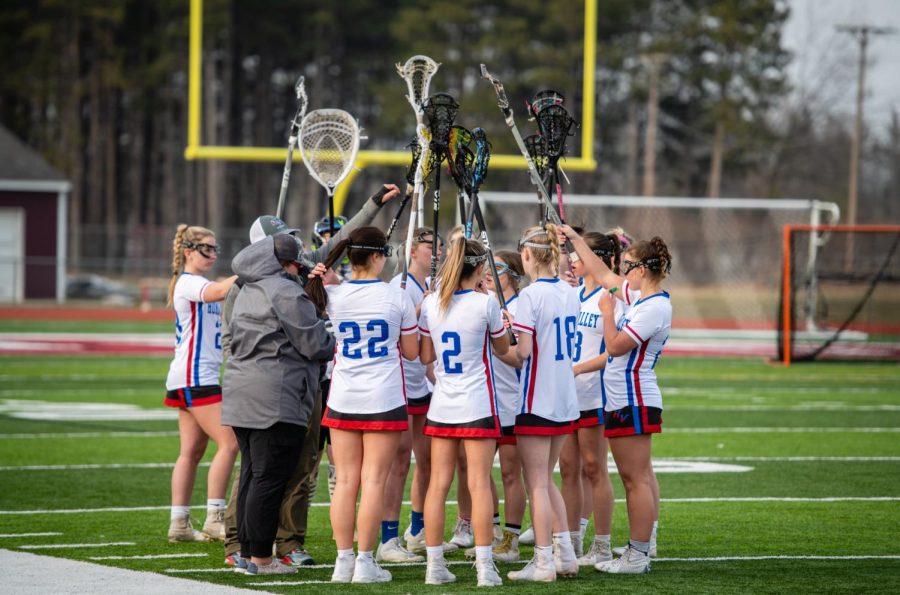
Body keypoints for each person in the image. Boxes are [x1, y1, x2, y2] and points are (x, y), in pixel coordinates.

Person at [221, 183, 401, 568]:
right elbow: (233, 339)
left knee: (301, 467)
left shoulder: (294, 272)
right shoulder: (252, 287)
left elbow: (340, 240)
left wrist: (372, 206)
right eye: (286, 243)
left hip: (297, 384)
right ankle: (243, 544)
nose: (297, 251)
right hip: (274, 385)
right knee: (261, 471)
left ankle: (288, 541)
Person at [305, 227, 419, 584]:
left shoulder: (333, 295)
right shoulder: (396, 297)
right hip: (383, 397)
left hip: (343, 397)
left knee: (346, 481)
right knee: (373, 481)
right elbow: (413, 353)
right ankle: (366, 562)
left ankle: (343, 561)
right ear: (377, 256)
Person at [561, 225, 672, 575]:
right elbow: (604, 272)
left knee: (633, 478)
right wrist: (576, 240)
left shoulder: (653, 306)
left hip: (633, 398)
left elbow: (616, 346)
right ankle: (640, 545)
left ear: (642, 269)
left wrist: (608, 312)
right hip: (623, 399)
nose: (621, 272)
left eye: (628, 266)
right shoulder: (641, 298)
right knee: (633, 477)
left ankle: (638, 554)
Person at [222, 234, 335, 576]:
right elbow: (315, 342)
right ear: (286, 264)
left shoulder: (248, 289)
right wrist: (329, 334)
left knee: (252, 477)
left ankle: (245, 554)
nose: (297, 271)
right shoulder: (284, 290)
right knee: (269, 479)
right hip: (275, 395)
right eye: (295, 265)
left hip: (241, 392)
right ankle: (260, 559)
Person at [418, 237, 510, 587]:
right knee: (479, 484)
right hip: (477, 404)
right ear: (481, 268)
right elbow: (503, 349)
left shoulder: (431, 304)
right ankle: (485, 568)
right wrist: (505, 322)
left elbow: (426, 356)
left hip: (443, 404)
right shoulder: (485, 304)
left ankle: (434, 566)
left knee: (438, 485)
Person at [499, 224, 580, 582]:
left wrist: (500, 343)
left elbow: (523, 354)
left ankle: (544, 561)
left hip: (536, 398)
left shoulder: (531, 297)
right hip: (564, 398)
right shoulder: (570, 291)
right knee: (547, 480)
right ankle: (565, 555)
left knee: (536, 483)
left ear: (527, 255)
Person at [164, 224, 239, 543]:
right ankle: (214, 517)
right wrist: (253, 267)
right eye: (206, 248)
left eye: (215, 249)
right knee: (230, 442)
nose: (212, 254)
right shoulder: (189, 283)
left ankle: (179, 523)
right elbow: (221, 291)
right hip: (196, 378)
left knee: (191, 451)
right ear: (188, 252)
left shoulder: (197, 282)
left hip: (190, 377)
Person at [381, 228, 446, 562]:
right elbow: (402, 337)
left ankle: (418, 530)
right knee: (399, 460)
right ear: (413, 250)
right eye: (429, 246)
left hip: (425, 381)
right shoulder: (400, 287)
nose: (436, 252)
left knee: (428, 460)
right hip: (403, 380)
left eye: (439, 246)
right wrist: (421, 308)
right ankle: (388, 538)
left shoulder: (429, 285)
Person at [558, 232, 623, 566]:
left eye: (578, 255)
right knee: (568, 469)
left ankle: (602, 543)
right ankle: (570, 541)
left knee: (595, 468)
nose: (572, 259)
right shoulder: (573, 294)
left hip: (595, 393)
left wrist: (581, 368)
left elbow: (615, 350)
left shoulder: (612, 297)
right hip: (570, 395)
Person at [481, 250, 528, 562]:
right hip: (482, 401)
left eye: (496, 268)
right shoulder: (481, 303)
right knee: (480, 472)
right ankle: (492, 532)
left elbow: (521, 356)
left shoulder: (520, 308)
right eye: (486, 266)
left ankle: (510, 538)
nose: (488, 273)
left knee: (511, 473)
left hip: (511, 401)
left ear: (512, 274)